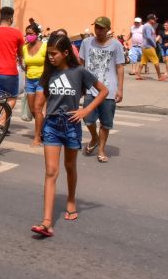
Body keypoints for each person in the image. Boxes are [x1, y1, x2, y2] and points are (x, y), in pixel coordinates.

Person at [31, 32, 108, 237]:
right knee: (50, 171)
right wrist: (38, 109)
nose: (50, 57)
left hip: (72, 125)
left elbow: (103, 91)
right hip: (52, 125)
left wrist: (85, 111)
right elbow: (40, 100)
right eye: (49, 54)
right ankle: (47, 222)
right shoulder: (48, 74)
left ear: (66, 53)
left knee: (70, 167)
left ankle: (71, 201)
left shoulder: (79, 72)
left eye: (54, 53)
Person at [79, 17, 124, 164]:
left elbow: (120, 67)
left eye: (101, 28)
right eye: (96, 27)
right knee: (88, 118)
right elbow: (81, 64)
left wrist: (120, 89)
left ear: (107, 29)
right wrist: (81, 85)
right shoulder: (86, 43)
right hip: (91, 88)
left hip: (109, 89)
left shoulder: (116, 45)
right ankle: (94, 138)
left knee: (106, 123)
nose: (98, 30)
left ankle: (101, 149)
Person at [0, 6, 24, 122]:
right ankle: (2, 121)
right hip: (10, 72)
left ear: (0, 18)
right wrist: (21, 62)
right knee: (12, 97)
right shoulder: (17, 33)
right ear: (11, 19)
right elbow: (21, 54)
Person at [21, 23, 47, 147]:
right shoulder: (25, 48)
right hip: (30, 81)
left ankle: (37, 137)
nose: (29, 36)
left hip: (42, 80)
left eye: (31, 34)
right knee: (32, 110)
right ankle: (43, 129)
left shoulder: (44, 47)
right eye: (27, 34)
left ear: (37, 34)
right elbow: (26, 66)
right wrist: (26, 80)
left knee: (38, 109)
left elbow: (50, 63)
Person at [136, 14, 167, 81]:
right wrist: (154, 44)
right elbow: (148, 37)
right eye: (154, 19)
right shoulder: (148, 26)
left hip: (145, 46)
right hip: (149, 46)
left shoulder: (148, 26)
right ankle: (159, 76)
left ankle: (138, 75)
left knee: (143, 61)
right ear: (150, 20)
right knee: (156, 61)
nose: (155, 21)